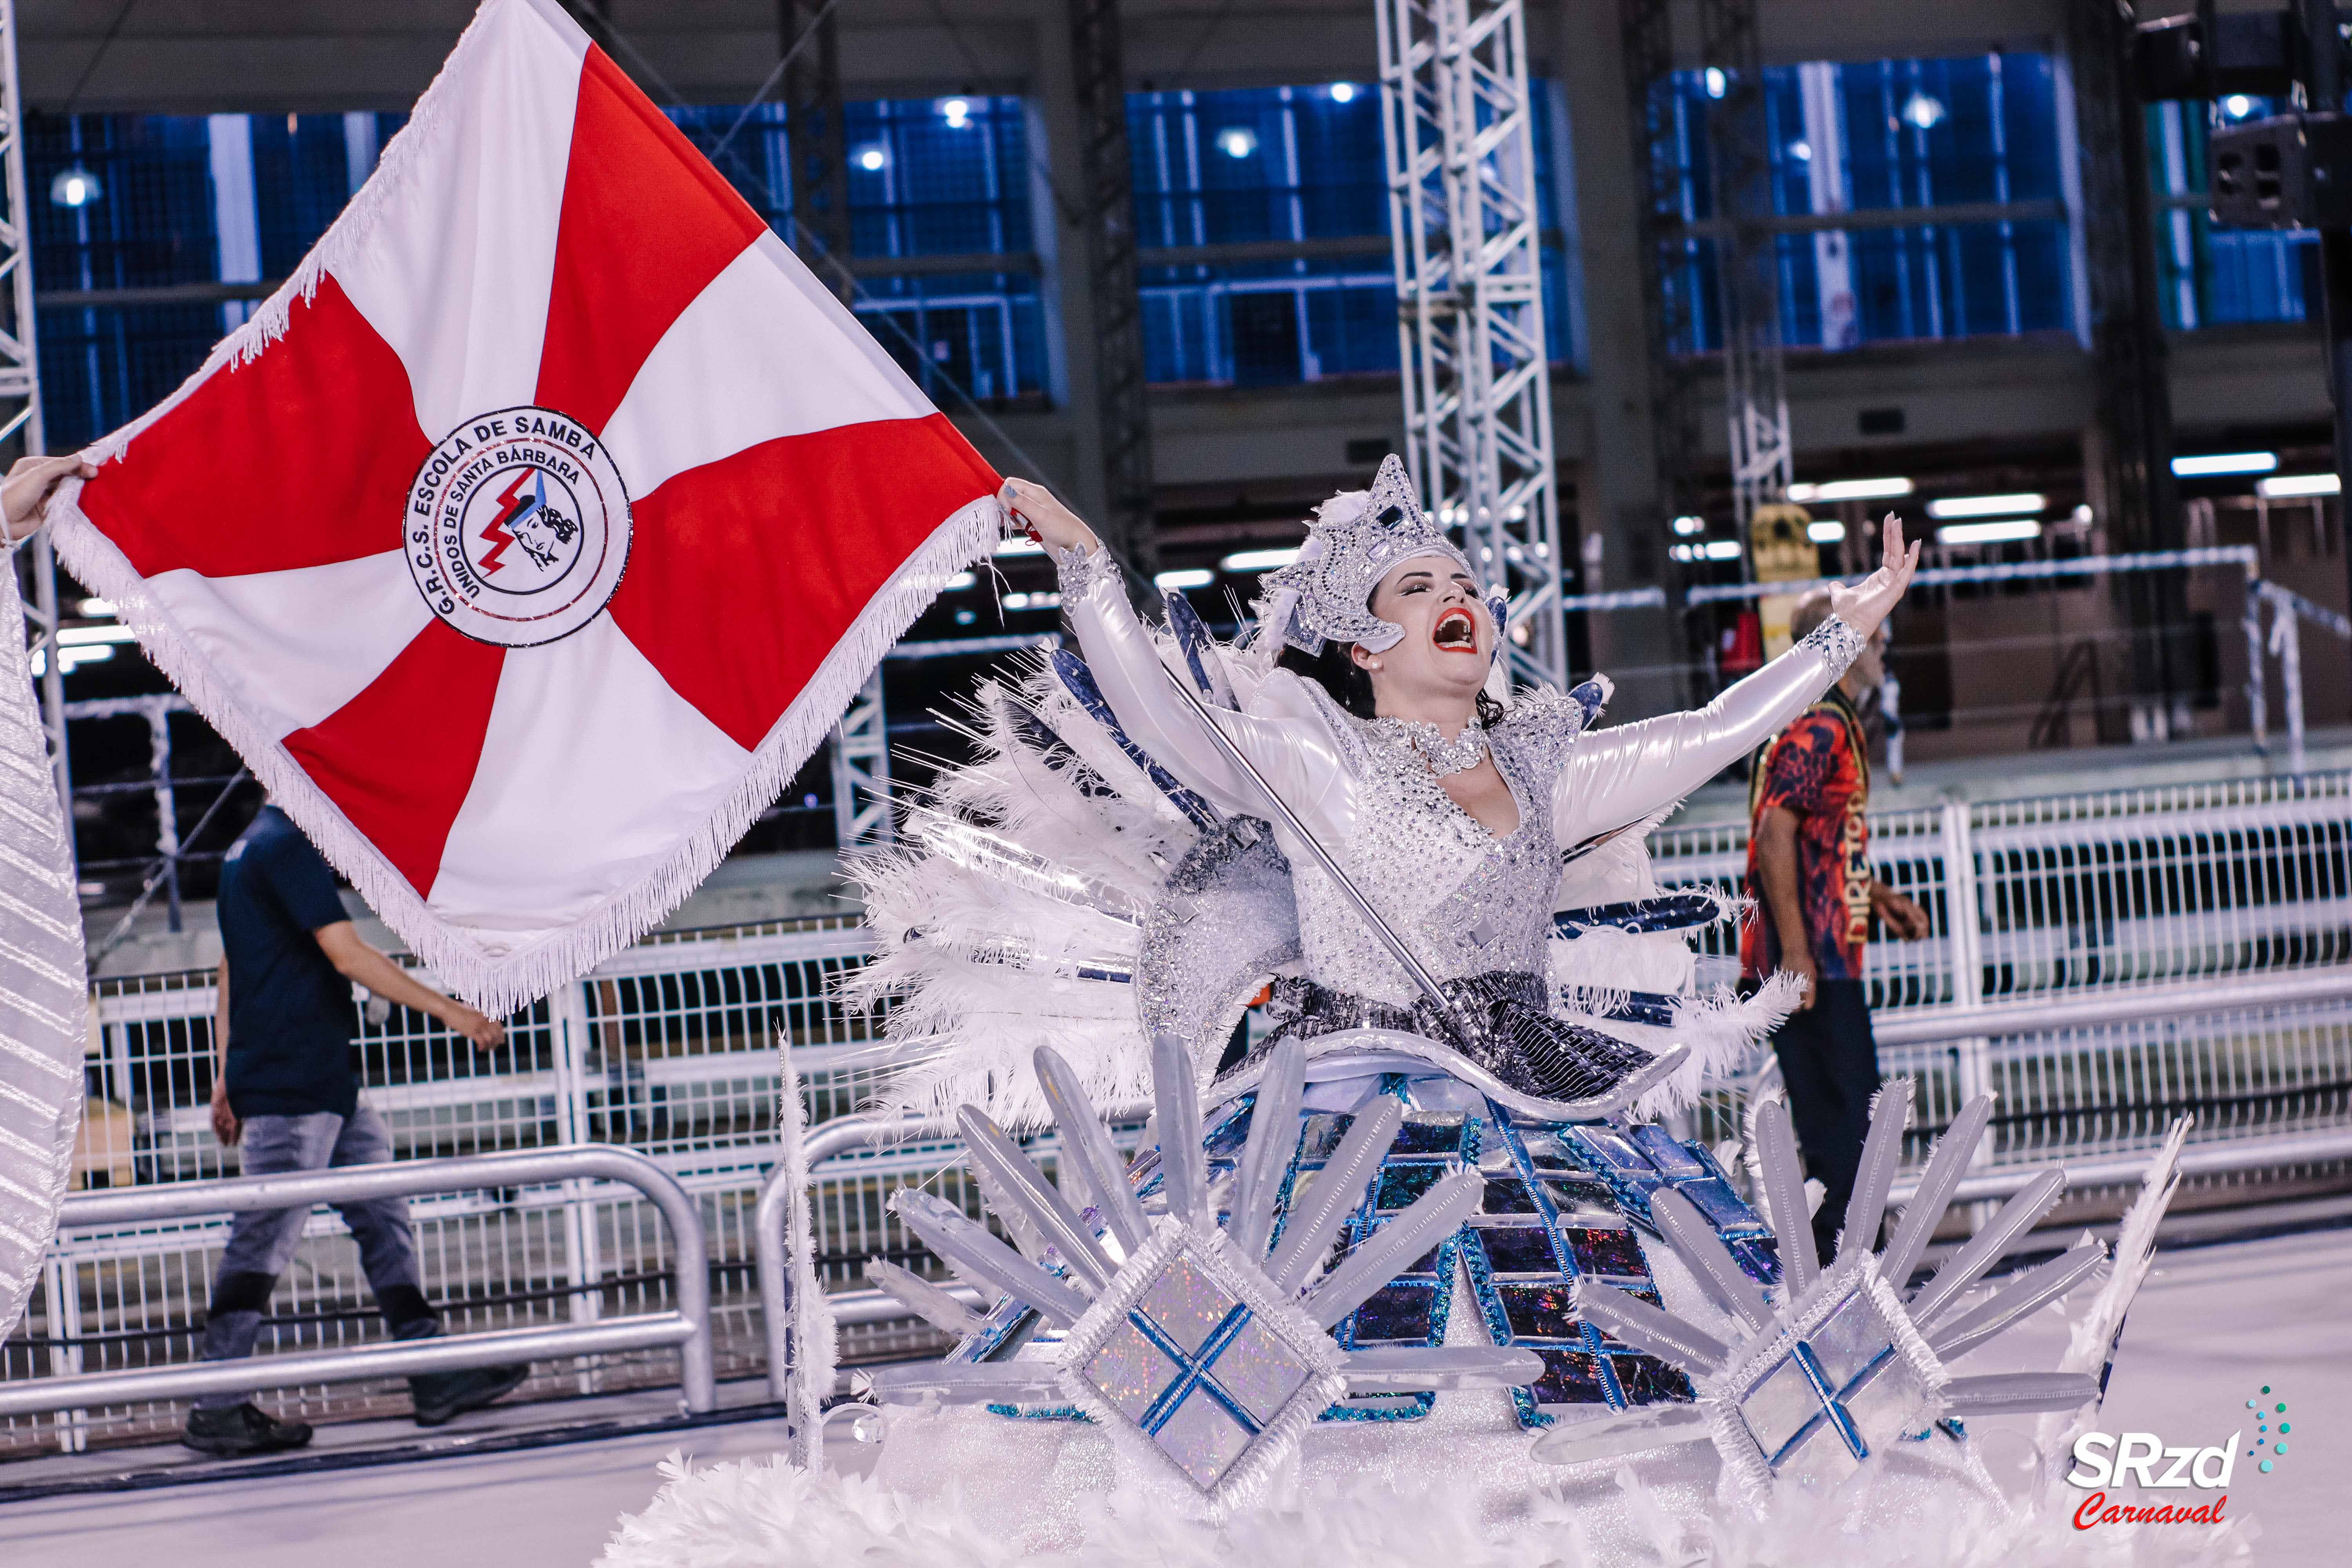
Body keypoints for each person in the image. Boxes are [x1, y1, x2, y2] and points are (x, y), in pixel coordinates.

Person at [997, 460, 1917, 1112]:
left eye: (1468, 586)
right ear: (1365, 643)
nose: (1458, 598)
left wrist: (1844, 630)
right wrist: (1084, 563)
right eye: (1421, 587)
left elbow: (1716, 729)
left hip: (1523, 1099)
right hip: (1353, 1105)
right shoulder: (1325, 765)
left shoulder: (1545, 769)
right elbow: (1160, 715)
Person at [186, 800, 530, 1456]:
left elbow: (234, 965)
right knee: (261, 1242)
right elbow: (345, 953)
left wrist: (225, 1071)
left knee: (382, 1218)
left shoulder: (244, 848)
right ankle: (217, 1405)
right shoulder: (288, 843)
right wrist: (454, 1012)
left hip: (321, 1080)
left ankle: (434, 1375)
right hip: (295, 1081)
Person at [1741, 590, 1931, 1263]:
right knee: (1849, 1141)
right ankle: (1851, 1295)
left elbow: (1812, 837)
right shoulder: (1821, 726)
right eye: (1875, 638)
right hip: (1814, 965)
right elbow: (1774, 835)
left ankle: (1853, 1289)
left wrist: (1874, 894)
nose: (1884, 650)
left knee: (1846, 1135)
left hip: (1822, 959)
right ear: (1845, 644)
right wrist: (1797, 956)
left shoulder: (1822, 721)